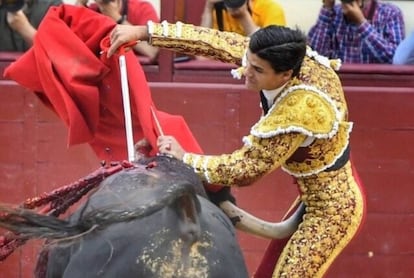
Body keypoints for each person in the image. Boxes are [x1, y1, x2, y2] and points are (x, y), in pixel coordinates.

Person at [108, 21, 367, 277]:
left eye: (256, 69)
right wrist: (143, 32)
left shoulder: (299, 111)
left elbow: (246, 169)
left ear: (286, 75)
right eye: (248, 61)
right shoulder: (278, 56)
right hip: (312, 195)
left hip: (331, 209)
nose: (246, 70)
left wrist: (185, 158)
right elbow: (212, 41)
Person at [308, 0, 405, 64]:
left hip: (376, 83)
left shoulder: (390, 13)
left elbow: (394, 59)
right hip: (339, 82)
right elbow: (314, 56)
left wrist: (361, 23)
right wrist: (327, 7)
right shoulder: (334, 13)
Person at [77, 0, 159, 62]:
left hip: (138, 73)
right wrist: (79, 5)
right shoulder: (90, 12)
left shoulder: (142, 9)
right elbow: (74, 52)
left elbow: (152, 51)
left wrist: (117, 18)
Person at [200, 0, 286, 36]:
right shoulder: (219, 11)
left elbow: (273, 51)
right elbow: (201, 54)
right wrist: (208, 8)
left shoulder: (270, 9)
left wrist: (243, 15)